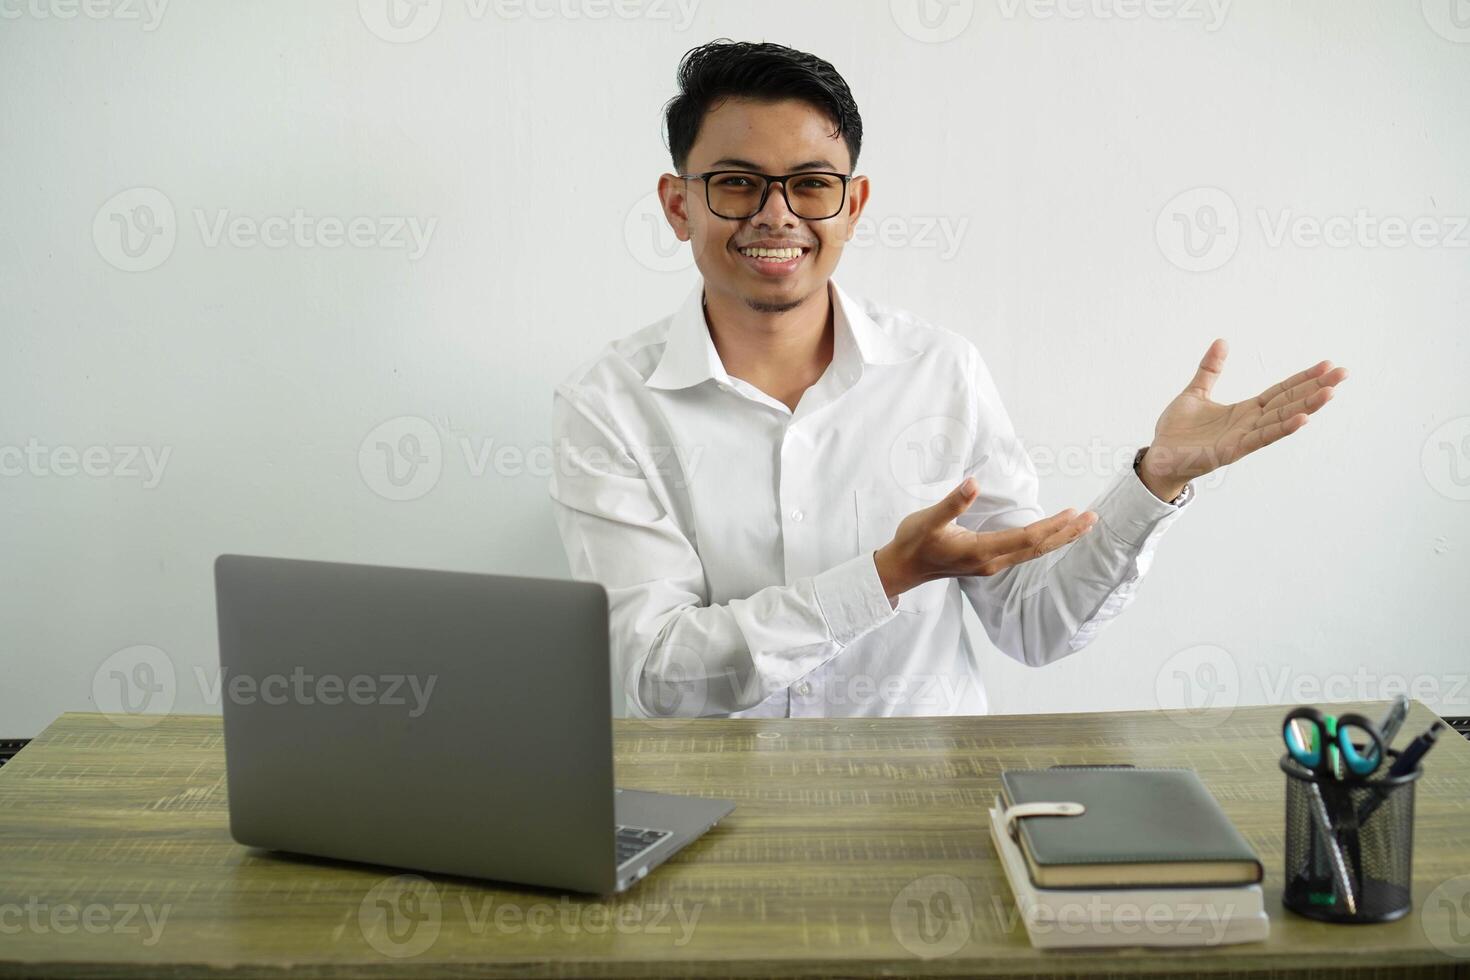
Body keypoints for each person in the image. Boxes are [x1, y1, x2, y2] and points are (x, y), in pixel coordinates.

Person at [548, 40, 1347, 719]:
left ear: (852, 204)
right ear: (678, 204)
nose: (776, 214)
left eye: (811, 184)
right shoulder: (608, 405)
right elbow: (658, 672)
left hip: (925, 813)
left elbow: (1034, 625)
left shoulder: (939, 371)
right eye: (736, 182)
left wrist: (1153, 483)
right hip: (712, 819)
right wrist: (889, 576)